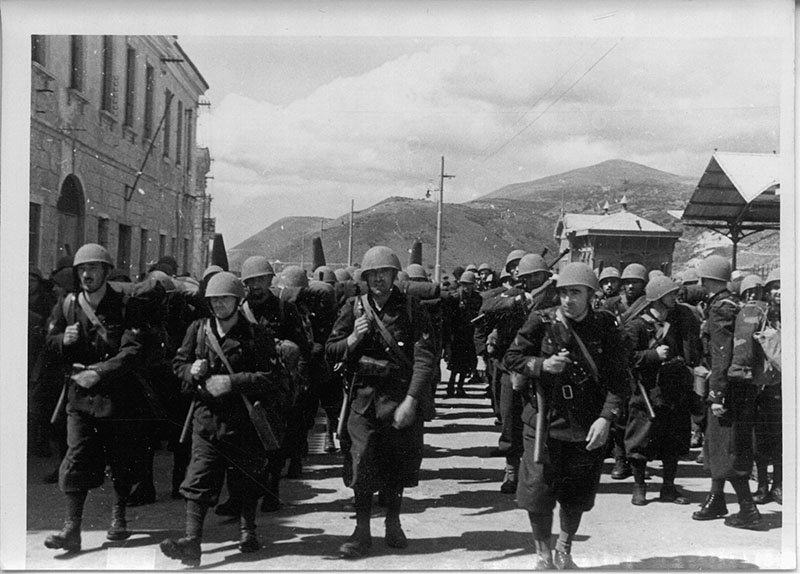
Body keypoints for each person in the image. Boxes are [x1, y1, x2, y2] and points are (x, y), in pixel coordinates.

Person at [160, 272, 291, 566]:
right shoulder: (198, 329)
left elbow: (272, 377)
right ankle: (192, 542)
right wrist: (190, 370)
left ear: (237, 300)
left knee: (246, 478)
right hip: (206, 419)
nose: (219, 305)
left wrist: (232, 382)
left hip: (244, 421)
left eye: (225, 299)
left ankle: (248, 530)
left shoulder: (256, 335)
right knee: (198, 480)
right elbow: (178, 363)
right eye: (214, 300)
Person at [505, 262, 627, 569]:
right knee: (538, 493)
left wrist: (606, 417)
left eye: (575, 293)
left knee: (577, 492)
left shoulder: (605, 327)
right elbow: (512, 357)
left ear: (590, 295)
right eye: (563, 293)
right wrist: (541, 366)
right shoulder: (542, 321)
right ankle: (543, 555)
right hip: (545, 420)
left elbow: (620, 379)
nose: (568, 300)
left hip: (585, 423)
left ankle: (564, 547)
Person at [326, 246, 436, 559]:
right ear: (365, 278)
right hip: (362, 400)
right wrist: (351, 339)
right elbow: (329, 350)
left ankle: (393, 521)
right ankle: (361, 532)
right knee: (361, 463)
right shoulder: (354, 307)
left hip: (398, 397)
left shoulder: (412, 308)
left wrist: (412, 400)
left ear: (394, 276)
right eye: (372, 274)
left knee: (397, 463)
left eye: (384, 273)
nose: (379, 279)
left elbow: (424, 357)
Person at [43, 244, 149, 553]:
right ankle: (71, 528)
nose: (87, 274)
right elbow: (48, 343)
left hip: (118, 396)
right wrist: (64, 340)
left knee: (121, 458)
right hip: (79, 397)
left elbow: (134, 350)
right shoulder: (67, 305)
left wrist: (100, 372)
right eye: (82, 270)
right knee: (76, 456)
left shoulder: (127, 306)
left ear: (106, 271)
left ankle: (119, 516)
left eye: (93, 269)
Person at [691, 255, 762, 529]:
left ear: (707, 279)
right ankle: (717, 498)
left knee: (729, 450)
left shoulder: (720, 307)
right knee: (719, 447)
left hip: (728, 391)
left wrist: (717, 395)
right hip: (738, 388)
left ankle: (748, 510)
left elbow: (722, 354)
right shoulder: (731, 303)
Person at [623, 276, 701, 506]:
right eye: (670, 294)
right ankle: (639, 487)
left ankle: (669, 487)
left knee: (673, 440)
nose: (674, 297)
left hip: (673, 390)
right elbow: (626, 357)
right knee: (640, 440)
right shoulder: (637, 325)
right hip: (646, 391)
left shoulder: (678, 321)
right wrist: (652, 355)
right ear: (658, 297)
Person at [752, 268, 781, 504]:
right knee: (761, 439)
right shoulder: (761, 314)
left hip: (783, 386)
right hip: (763, 386)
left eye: (782, 286)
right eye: (774, 287)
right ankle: (762, 484)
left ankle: (778, 484)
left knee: (781, 439)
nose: (778, 292)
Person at [443, 270, 482, 397]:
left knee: (466, 364)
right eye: (464, 284)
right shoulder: (455, 298)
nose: (466, 287)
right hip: (457, 335)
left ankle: (460, 387)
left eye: (468, 284)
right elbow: (449, 317)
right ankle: (450, 386)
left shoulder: (477, 298)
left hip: (469, 334)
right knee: (455, 363)